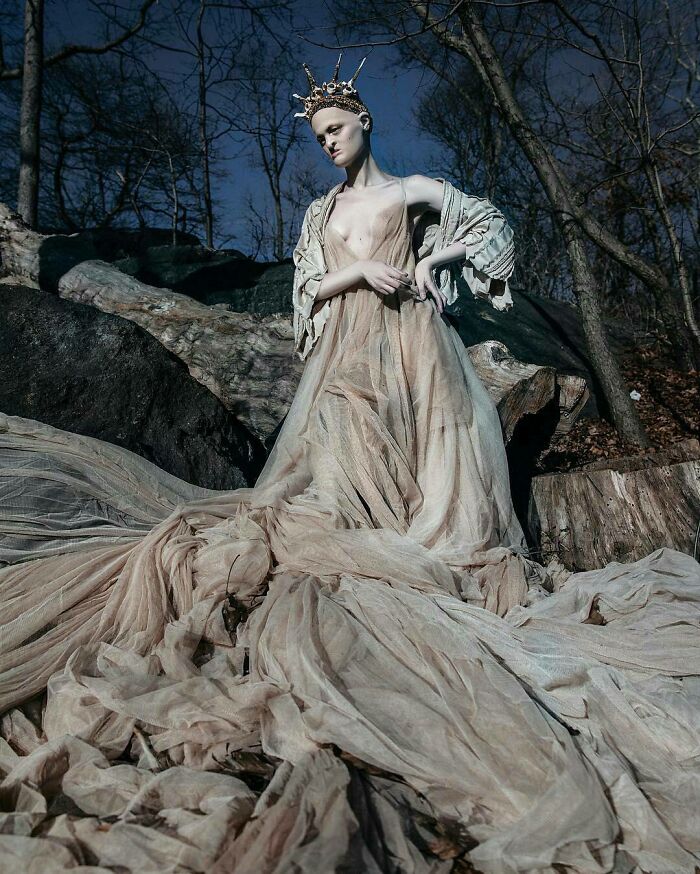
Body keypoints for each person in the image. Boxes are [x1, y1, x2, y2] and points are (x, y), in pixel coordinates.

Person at [0, 55, 698, 873]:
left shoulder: (411, 191)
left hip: (414, 343)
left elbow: (488, 223)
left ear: (365, 122)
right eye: (320, 136)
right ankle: (357, 541)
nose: (329, 144)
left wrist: (435, 263)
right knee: (329, 455)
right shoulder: (320, 211)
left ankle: (412, 542)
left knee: (431, 447)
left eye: (337, 130)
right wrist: (358, 271)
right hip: (346, 351)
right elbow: (312, 288)